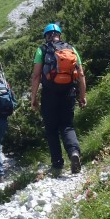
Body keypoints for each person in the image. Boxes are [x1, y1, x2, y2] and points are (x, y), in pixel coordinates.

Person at [30, 23, 87, 176]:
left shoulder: (41, 50)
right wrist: (82, 96)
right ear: (59, 35)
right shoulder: (71, 49)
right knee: (67, 125)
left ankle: (57, 163)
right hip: (69, 92)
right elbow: (81, 74)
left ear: (46, 36)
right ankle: (74, 153)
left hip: (49, 93)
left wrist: (33, 97)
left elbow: (36, 76)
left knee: (51, 129)